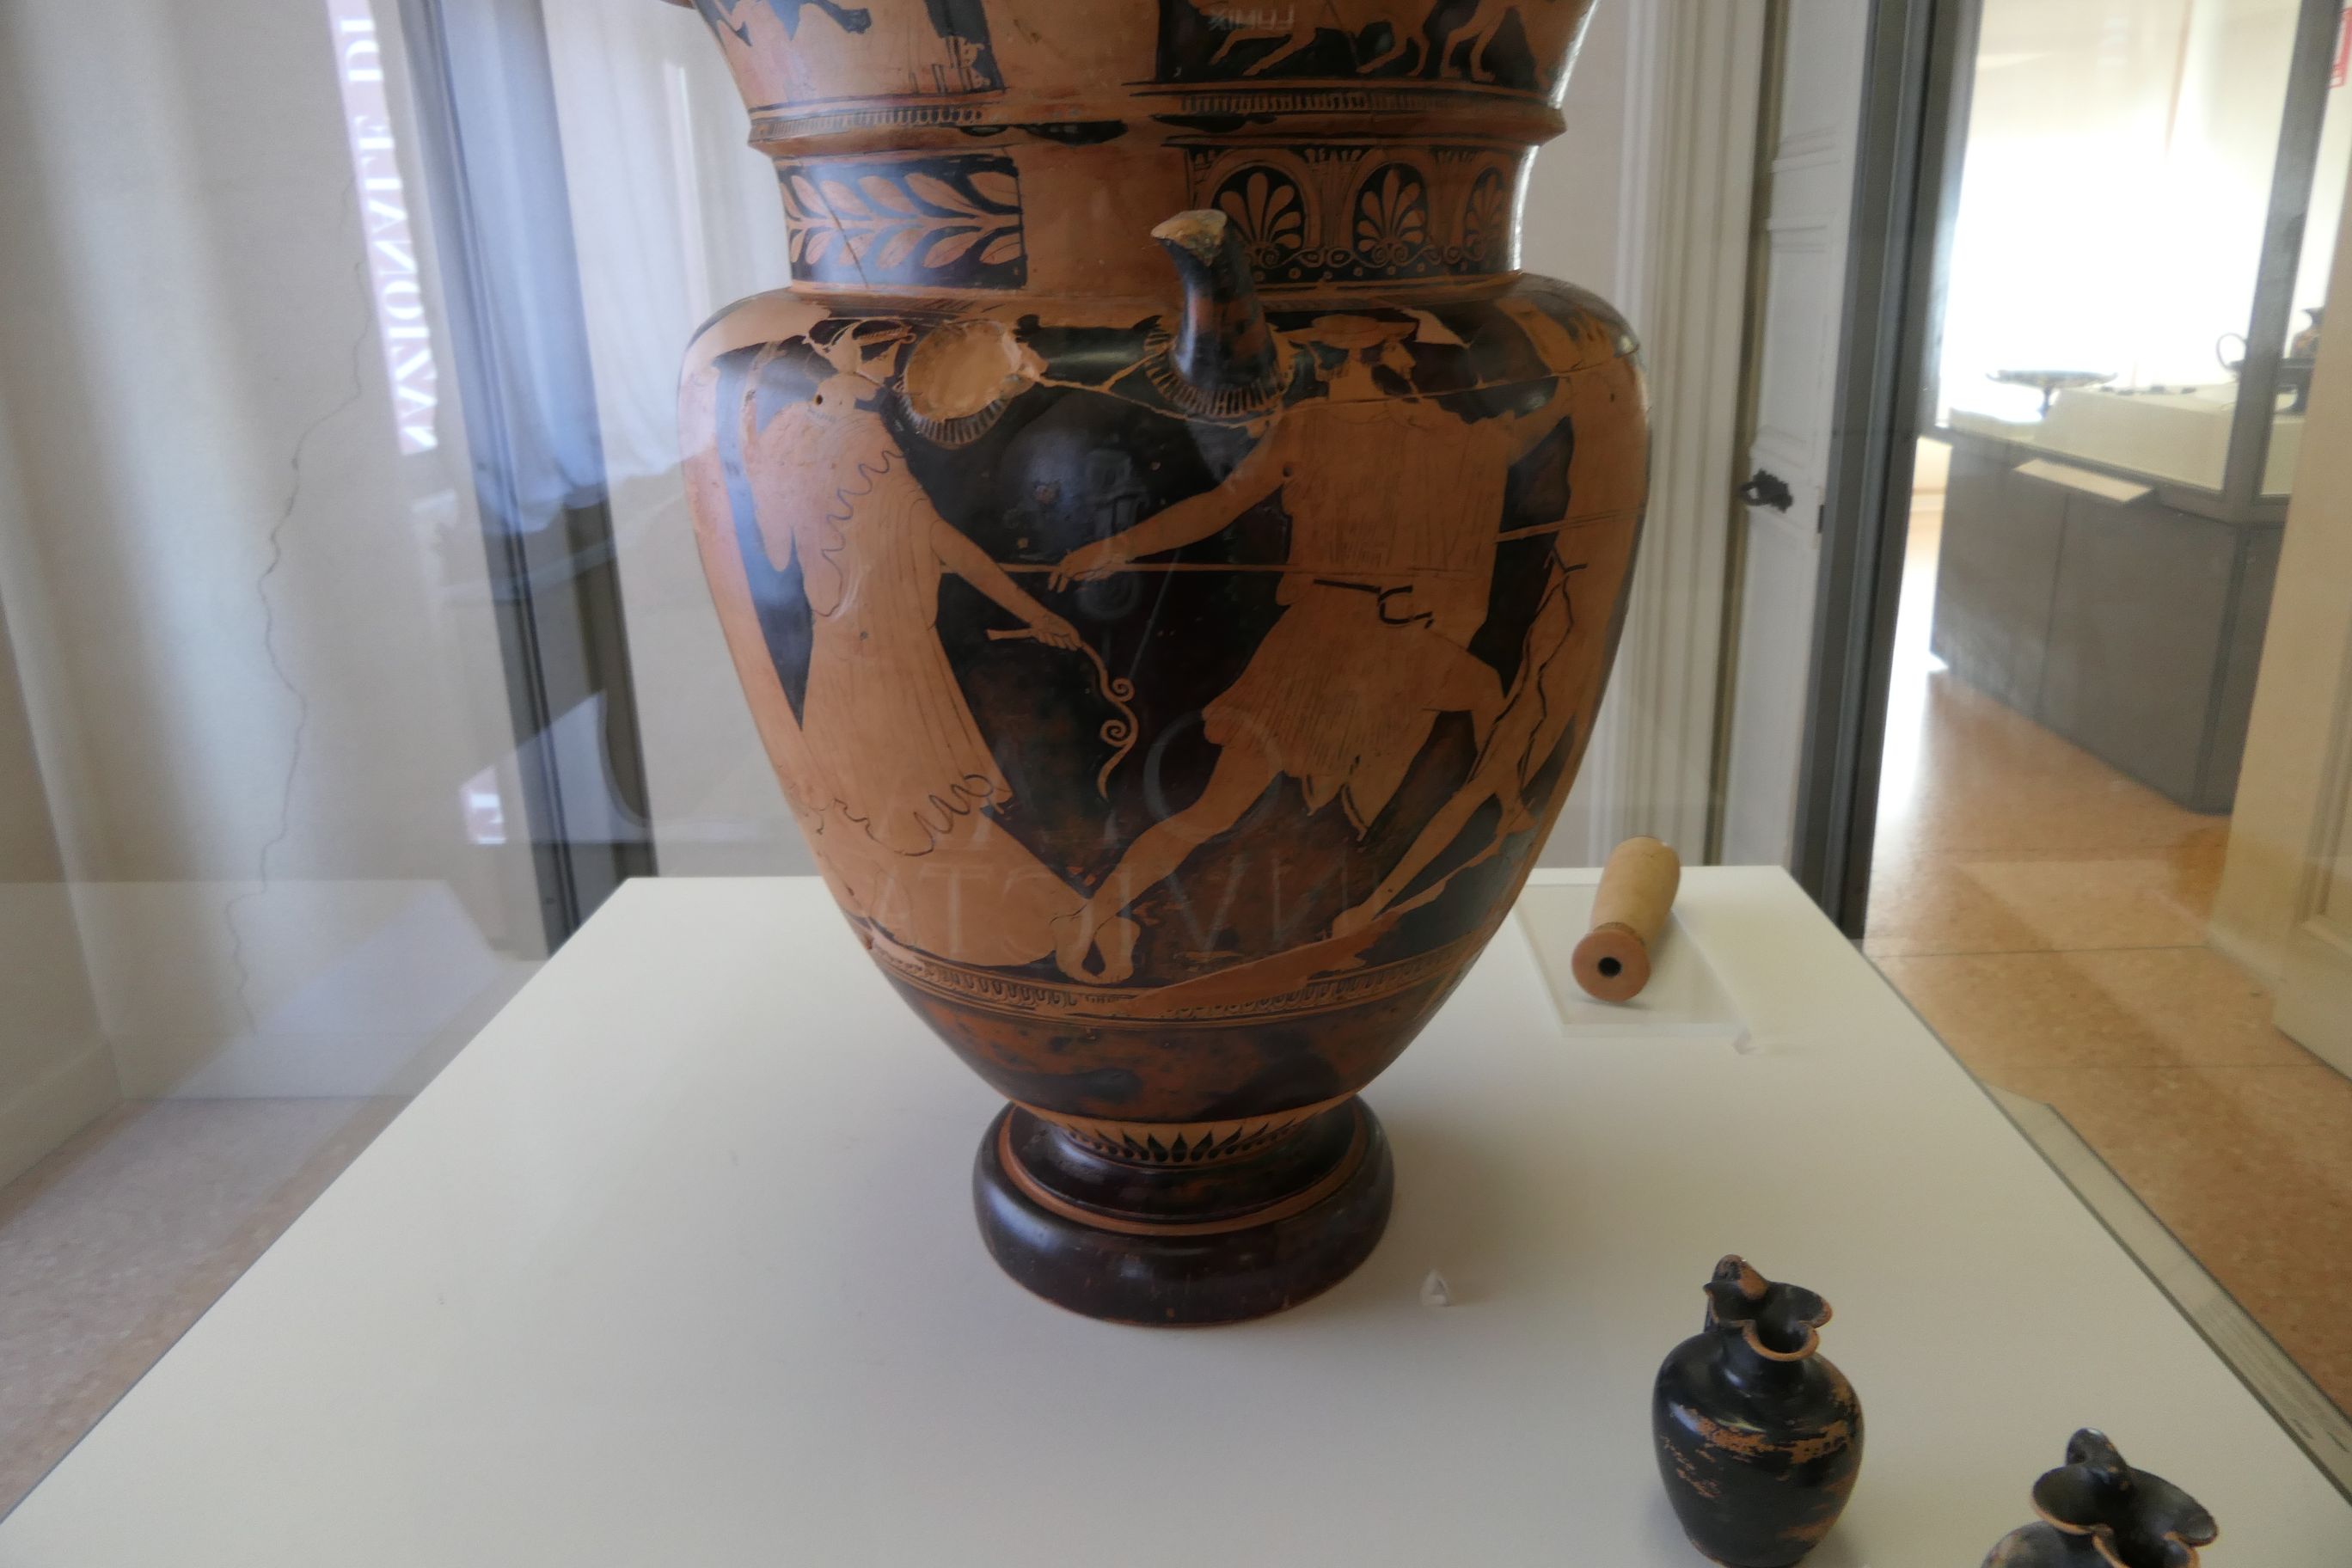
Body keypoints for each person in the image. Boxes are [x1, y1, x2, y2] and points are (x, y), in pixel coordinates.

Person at [1045, 314, 1575, 982]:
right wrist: (1119, 546)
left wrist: (1562, 385)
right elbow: (1222, 506)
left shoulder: (1433, 430)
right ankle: (1091, 916)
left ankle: (1437, 861)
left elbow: (1511, 439)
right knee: (1218, 808)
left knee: (1482, 700)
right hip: (1322, 641)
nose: (1403, 362)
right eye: (1389, 351)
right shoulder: (1312, 428)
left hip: (1400, 642)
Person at [740, 322, 1126, 971]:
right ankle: (1048, 926)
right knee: (906, 804)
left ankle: (1009, 929)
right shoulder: (862, 444)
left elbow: (781, 553)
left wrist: (755, 453)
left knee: (888, 807)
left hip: (851, 652)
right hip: (883, 656)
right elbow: (945, 544)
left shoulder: (794, 435)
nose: (899, 373)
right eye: (888, 357)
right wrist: (1036, 614)